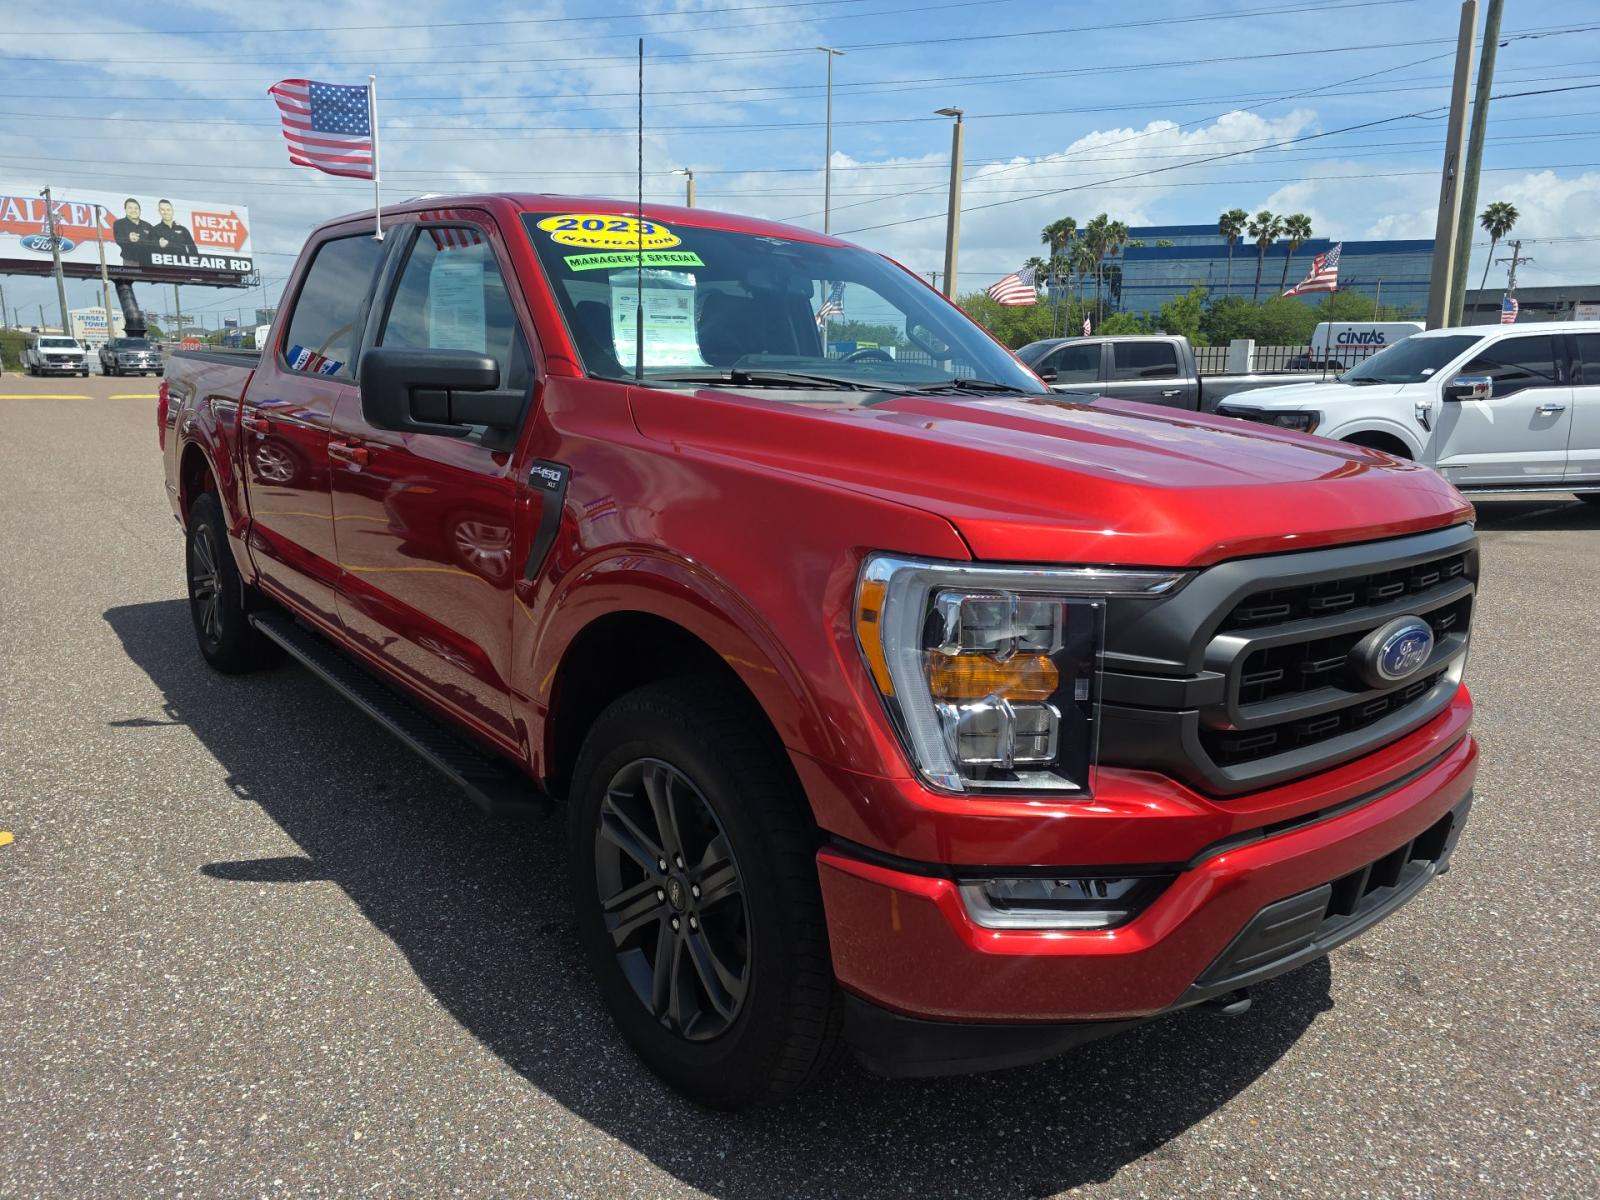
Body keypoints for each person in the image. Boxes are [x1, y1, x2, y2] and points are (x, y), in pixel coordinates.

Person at [112, 198, 154, 267]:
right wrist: (129, 238)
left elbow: (155, 238)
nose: (133, 210)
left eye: (136, 208)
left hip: (147, 262)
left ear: (140, 210)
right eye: (130, 208)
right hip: (130, 261)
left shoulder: (147, 225)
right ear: (125, 209)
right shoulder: (119, 223)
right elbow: (119, 240)